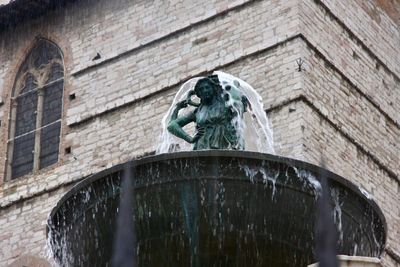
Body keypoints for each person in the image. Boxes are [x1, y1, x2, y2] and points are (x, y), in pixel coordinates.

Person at [167, 75, 246, 150]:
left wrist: (227, 83)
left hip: (225, 144)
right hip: (202, 147)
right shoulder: (197, 111)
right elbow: (171, 126)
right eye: (201, 89)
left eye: (207, 87)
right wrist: (190, 139)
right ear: (199, 94)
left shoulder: (226, 104)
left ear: (213, 89)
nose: (204, 90)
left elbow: (237, 98)